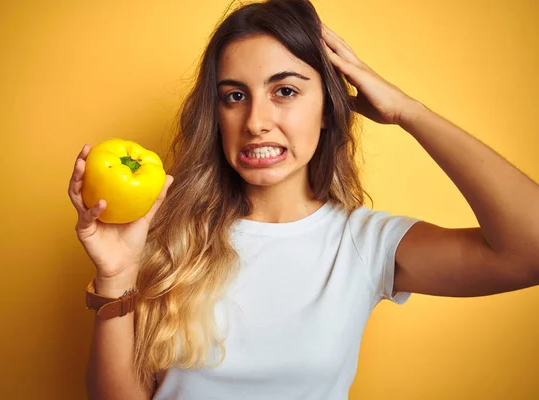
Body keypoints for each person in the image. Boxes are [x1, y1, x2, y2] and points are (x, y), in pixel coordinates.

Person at [67, 0, 539, 399]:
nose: (255, 121)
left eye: (285, 91)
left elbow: (529, 250)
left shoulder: (362, 243)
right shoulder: (166, 235)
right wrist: (115, 275)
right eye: (234, 96)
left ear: (329, 109)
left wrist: (406, 110)